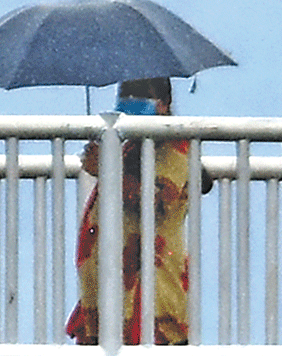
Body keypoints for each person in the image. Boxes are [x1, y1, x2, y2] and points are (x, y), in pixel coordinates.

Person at [65, 77, 213, 345]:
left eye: (139, 96)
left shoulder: (175, 148)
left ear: (164, 105)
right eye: (124, 95)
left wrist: (107, 170)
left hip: (152, 301)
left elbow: (156, 204)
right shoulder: (131, 148)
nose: (129, 103)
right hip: (113, 297)